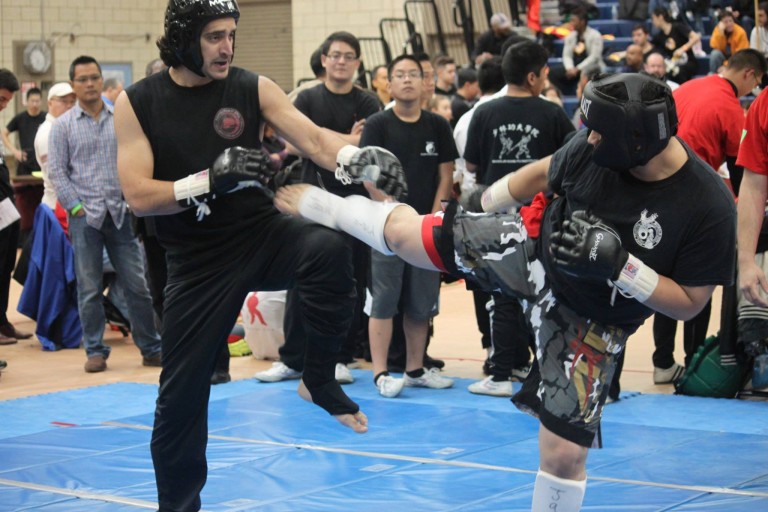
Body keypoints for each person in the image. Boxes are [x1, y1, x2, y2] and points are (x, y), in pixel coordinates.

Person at [275, 72, 736, 511]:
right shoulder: (596, 141)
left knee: (563, 453)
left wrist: (623, 268)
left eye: (599, 135)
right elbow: (540, 173)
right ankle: (327, 206)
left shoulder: (707, 205)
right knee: (406, 239)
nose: (589, 139)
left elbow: (691, 303)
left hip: (592, 318)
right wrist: (484, 202)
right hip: (532, 246)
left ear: (636, 143)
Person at [114, 1, 404, 509]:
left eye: (231, 35)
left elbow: (313, 140)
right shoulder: (138, 102)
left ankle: (316, 377)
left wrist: (359, 159)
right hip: (196, 261)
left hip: (259, 233)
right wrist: (206, 180)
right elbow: (138, 194)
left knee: (328, 249)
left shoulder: (252, 87)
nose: (227, 47)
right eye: (213, 37)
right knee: (180, 398)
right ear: (184, 39)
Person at [256, 30, 380, 386]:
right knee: (300, 278)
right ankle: (293, 358)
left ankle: (339, 356)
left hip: (355, 202)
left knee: (348, 280)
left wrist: (318, 137)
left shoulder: (368, 101)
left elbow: (366, 145)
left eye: (348, 56)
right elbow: (294, 146)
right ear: (324, 59)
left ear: (357, 63)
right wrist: (344, 137)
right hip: (310, 200)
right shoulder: (307, 98)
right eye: (335, 55)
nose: (341, 61)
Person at [463, 41, 574, 396]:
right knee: (541, 294)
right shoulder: (552, 113)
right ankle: (531, 371)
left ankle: (501, 370)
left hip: (497, 216)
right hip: (538, 219)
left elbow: (472, 167)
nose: (545, 79)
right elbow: (568, 164)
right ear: (532, 76)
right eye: (544, 73)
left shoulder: (484, 112)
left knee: (502, 295)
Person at [47, 55, 163, 374]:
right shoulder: (62, 127)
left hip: (121, 213)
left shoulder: (121, 118)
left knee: (138, 285)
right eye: (82, 79)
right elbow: (57, 171)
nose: (89, 84)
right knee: (89, 288)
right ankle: (95, 350)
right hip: (84, 217)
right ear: (73, 85)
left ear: (102, 81)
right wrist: (75, 207)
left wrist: (130, 198)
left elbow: (136, 158)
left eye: (94, 78)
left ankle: (151, 347)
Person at [361, 54, 457, 398]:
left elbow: (446, 175)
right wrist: (386, 207)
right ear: (389, 83)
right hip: (385, 229)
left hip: (425, 230)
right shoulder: (377, 124)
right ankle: (380, 373)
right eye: (399, 75)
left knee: (421, 304)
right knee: (384, 302)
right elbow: (366, 173)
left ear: (423, 81)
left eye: (413, 74)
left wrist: (432, 220)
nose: (406, 80)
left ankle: (415, 369)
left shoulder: (437, 125)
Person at [0, 69, 32, 346]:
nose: (3, 105)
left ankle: (3, 321)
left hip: (5, 205)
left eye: (7, 101)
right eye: (0, 99)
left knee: (6, 264)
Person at [34, 82, 76, 210]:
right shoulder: (47, 132)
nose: (69, 106)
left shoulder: (67, 127)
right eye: (63, 101)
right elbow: (54, 175)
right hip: (57, 206)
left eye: (72, 102)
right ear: (50, 103)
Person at [549, 8, 605, 94]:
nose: (571, 23)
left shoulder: (595, 35)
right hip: (573, 67)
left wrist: (578, 69)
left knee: (590, 73)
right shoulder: (570, 36)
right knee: (551, 73)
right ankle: (559, 95)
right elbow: (567, 55)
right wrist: (570, 68)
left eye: (573, 21)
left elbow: (594, 57)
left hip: (591, 67)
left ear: (582, 22)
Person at [650, 7, 701, 84]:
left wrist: (682, 49)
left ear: (660, 17)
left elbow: (696, 37)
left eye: (653, 18)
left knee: (679, 72)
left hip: (687, 61)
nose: (652, 22)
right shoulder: (659, 36)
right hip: (673, 64)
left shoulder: (678, 27)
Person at [2, 87, 45, 176]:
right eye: (32, 101)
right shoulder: (20, 118)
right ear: (27, 101)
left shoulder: (46, 117)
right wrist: (15, 151)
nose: (35, 104)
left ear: (41, 102)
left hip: (43, 161)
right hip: (25, 161)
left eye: (37, 101)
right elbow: (4, 133)